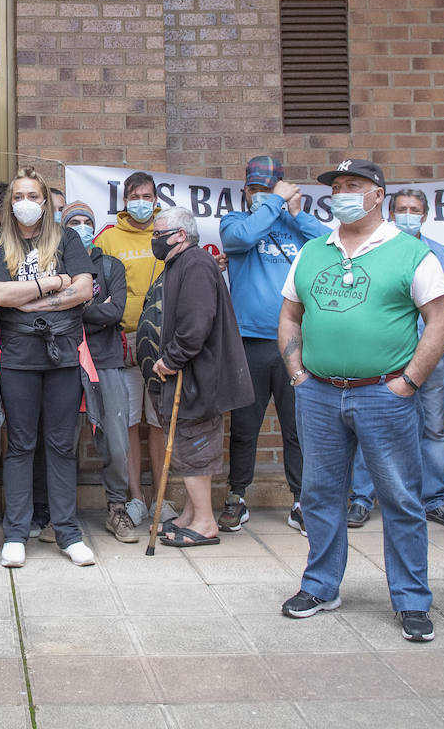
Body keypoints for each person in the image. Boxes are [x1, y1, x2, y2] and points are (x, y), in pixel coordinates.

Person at [277, 158, 444, 643]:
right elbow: (290, 315)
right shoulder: (313, 251)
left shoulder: (410, 253)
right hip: (318, 392)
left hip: (384, 393)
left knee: (399, 497)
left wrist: (410, 381)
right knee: (319, 495)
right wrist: (297, 372)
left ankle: (412, 600)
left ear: (379, 195)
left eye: (353, 185)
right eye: (336, 186)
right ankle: (320, 586)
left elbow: (441, 319)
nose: (342, 193)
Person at [0, 167, 96, 568]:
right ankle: (16, 534)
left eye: (33, 196)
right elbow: (0, 294)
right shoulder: (0, 243)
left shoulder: (66, 238)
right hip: (18, 356)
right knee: (19, 445)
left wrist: (31, 302)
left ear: (45, 202)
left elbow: (84, 288)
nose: (26, 203)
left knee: (61, 445)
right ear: (10, 202)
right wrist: (50, 285)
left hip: (63, 354)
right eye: (19, 196)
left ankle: (68, 532)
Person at [218, 156, 331, 535]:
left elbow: (333, 248)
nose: (260, 195)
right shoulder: (236, 221)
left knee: (297, 427)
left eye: (269, 188)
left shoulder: (295, 225)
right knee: (244, 427)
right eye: (255, 189)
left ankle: (302, 501)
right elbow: (239, 239)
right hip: (248, 341)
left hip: (295, 343)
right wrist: (273, 203)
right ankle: (237, 497)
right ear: (245, 189)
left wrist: (297, 214)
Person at [348, 189, 444, 529]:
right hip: (380, 359)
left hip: (426, 358)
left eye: (414, 209)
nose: (407, 215)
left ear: (425, 216)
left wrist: (426, 346)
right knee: (368, 427)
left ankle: (432, 500)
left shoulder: (439, 254)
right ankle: (361, 499)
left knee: (431, 429)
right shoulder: (373, 250)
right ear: (389, 212)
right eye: (401, 209)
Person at [148, 207, 253, 546]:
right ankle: (192, 514)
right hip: (189, 375)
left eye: (159, 233)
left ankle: (205, 523)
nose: (155, 240)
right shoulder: (181, 263)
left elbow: (196, 324)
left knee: (194, 446)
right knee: (183, 445)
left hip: (197, 375)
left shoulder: (194, 264)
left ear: (180, 234)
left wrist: (171, 360)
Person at [91, 171, 165, 526]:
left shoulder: (166, 232)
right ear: (124, 201)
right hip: (122, 341)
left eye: (147, 196)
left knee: (160, 422)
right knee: (129, 422)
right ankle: (135, 497)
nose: (141, 202)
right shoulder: (108, 239)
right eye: (135, 196)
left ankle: (161, 498)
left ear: (155, 199)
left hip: (163, 343)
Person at [64, 201, 136, 543]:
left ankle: (116, 507)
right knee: (61, 441)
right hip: (63, 359)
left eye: (86, 221)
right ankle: (59, 515)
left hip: (105, 360)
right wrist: (93, 307)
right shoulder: (56, 263)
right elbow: (57, 315)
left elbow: (115, 312)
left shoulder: (110, 266)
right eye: (73, 222)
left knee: (116, 441)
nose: (81, 227)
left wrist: (77, 305)